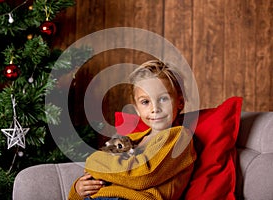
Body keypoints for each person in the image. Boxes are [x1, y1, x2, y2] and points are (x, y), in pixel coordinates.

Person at [68, 60, 197, 200]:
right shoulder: (131, 139)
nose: (155, 109)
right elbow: (96, 173)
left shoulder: (178, 136)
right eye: (145, 102)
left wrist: (93, 160)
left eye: (163, 99)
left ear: (180, 102)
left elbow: (142, 175)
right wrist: (78, 189)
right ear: (137, 109)